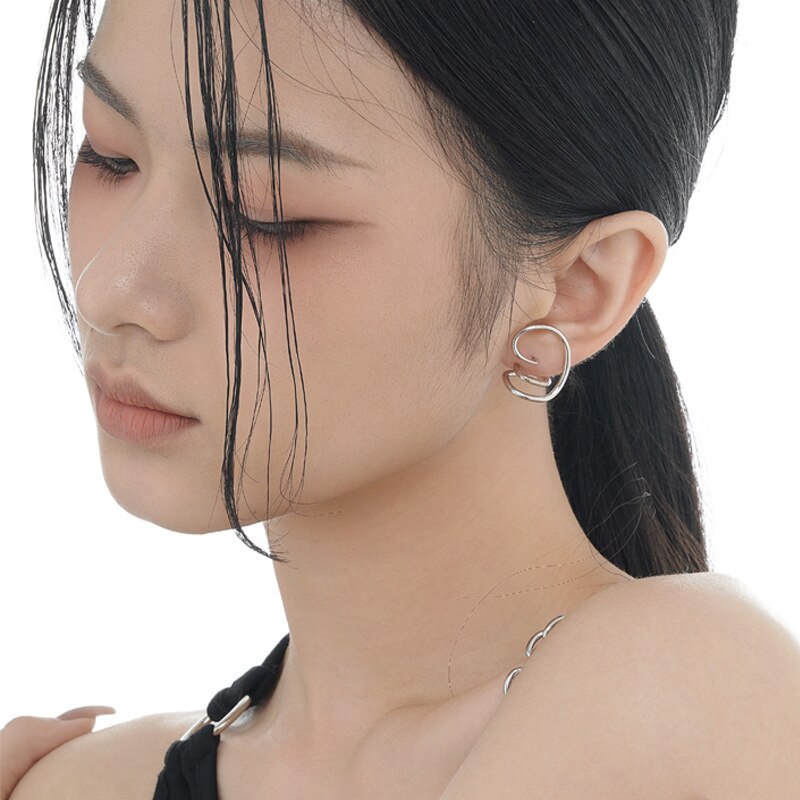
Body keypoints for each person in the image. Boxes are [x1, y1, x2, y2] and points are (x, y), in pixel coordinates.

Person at [5, 0, 799, 797]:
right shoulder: (82, 783)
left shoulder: (682, 689)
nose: (109, 289)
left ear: (578, 286)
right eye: (110, 156)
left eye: (266, 214)